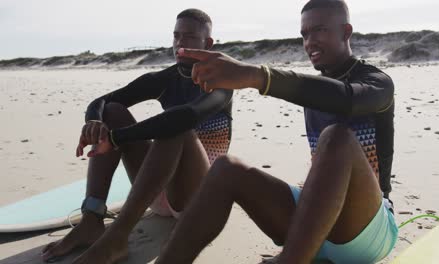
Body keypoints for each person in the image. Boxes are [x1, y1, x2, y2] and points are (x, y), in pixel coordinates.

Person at [155, 1, 397, 263]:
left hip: (367, 232)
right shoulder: (317, 89)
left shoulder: (377, 82)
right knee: (227, 168)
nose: (309, 42)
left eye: (319, 30)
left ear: (346, 31)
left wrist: (255, 76)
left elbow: (347, 99)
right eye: (304, 34)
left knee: (336, 136)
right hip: (314, 232)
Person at [41, 8, 232, 264]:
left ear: (207, 43)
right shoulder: (165, 79)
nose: (180, 43)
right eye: (176, 35)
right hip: (158, 190)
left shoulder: (222, 79)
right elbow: (103, 100)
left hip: (198, 198)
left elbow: (185, 117)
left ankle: (117, 237)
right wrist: (94, 121)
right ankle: (91, 219)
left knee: (176, 126)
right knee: (113, 111)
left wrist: (118, 138)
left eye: (189, 36)